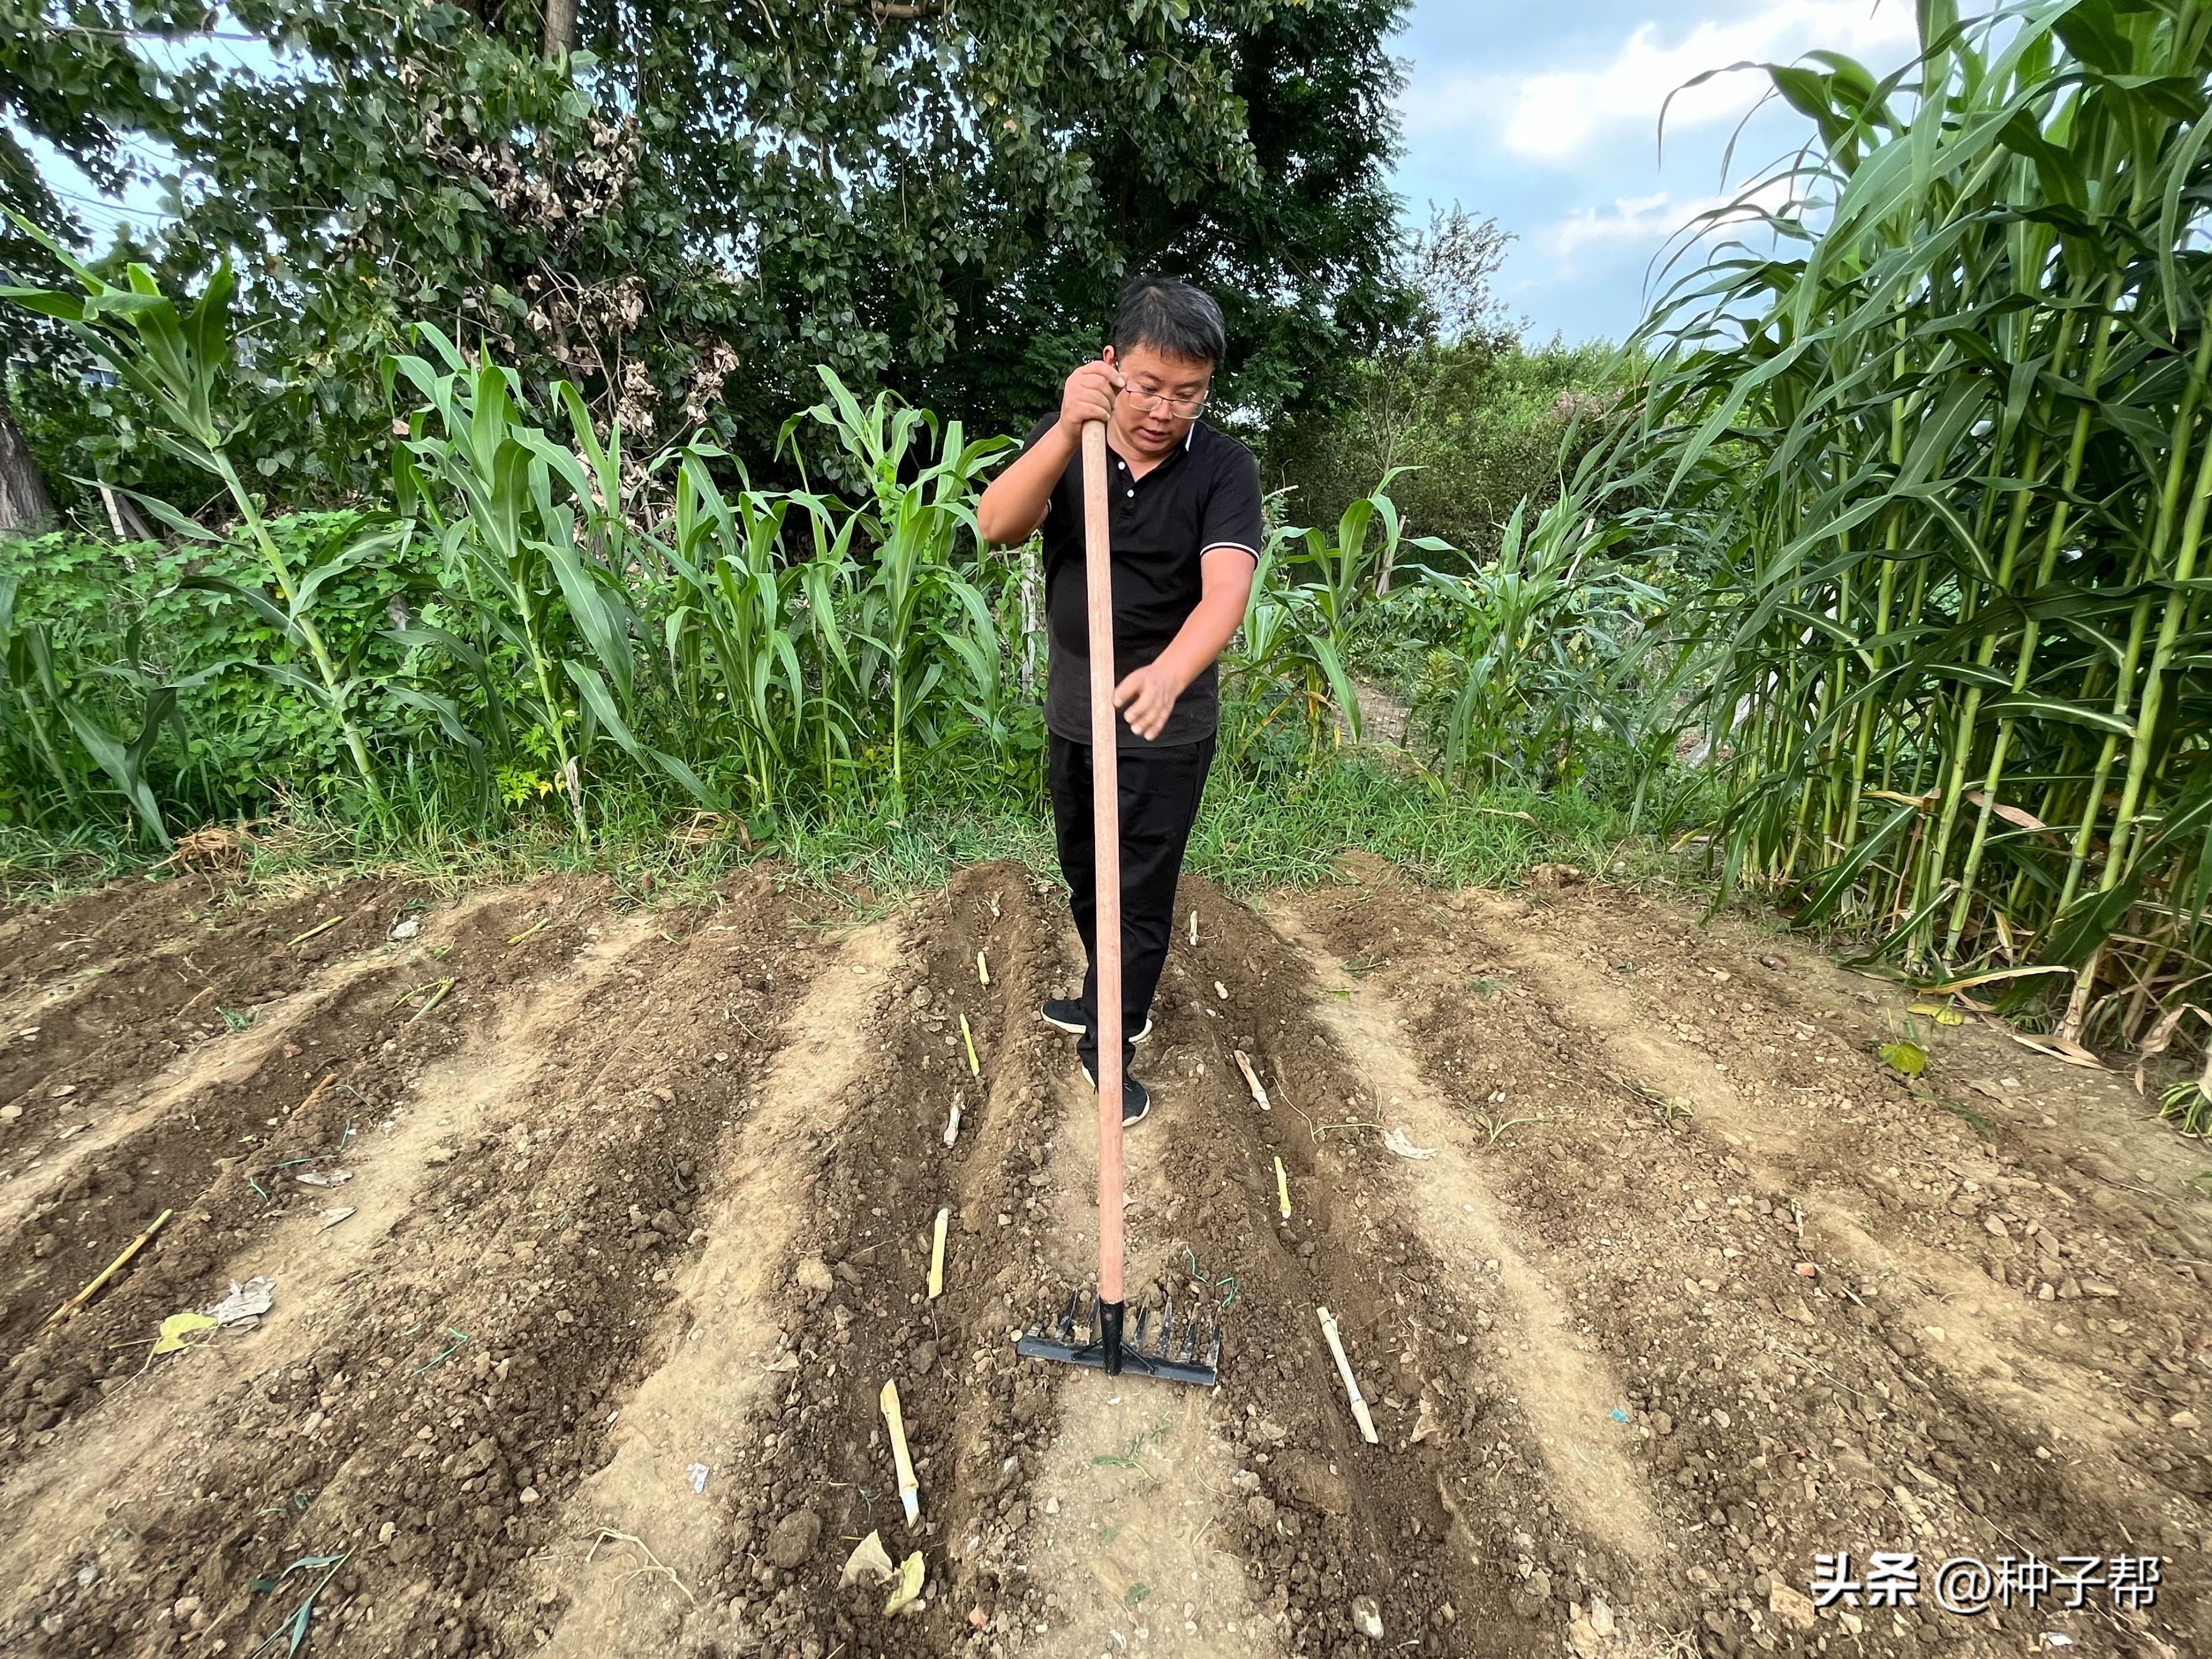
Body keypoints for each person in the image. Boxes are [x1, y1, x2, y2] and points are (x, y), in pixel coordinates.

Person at [976, 276, 1261, 1125]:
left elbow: (1224, 595)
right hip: (1075, 709)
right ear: (1111, 367)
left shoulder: (1223, 468)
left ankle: (1111, 1036)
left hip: (1164, 726)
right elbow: (996, 525)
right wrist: (1068, 430)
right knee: (1086, 873)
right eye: (1148, 387)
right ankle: (1109, 989)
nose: (1165, 410)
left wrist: (1171, 673)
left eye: (1189, 394)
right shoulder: (1075, 440)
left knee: (1138, 887)